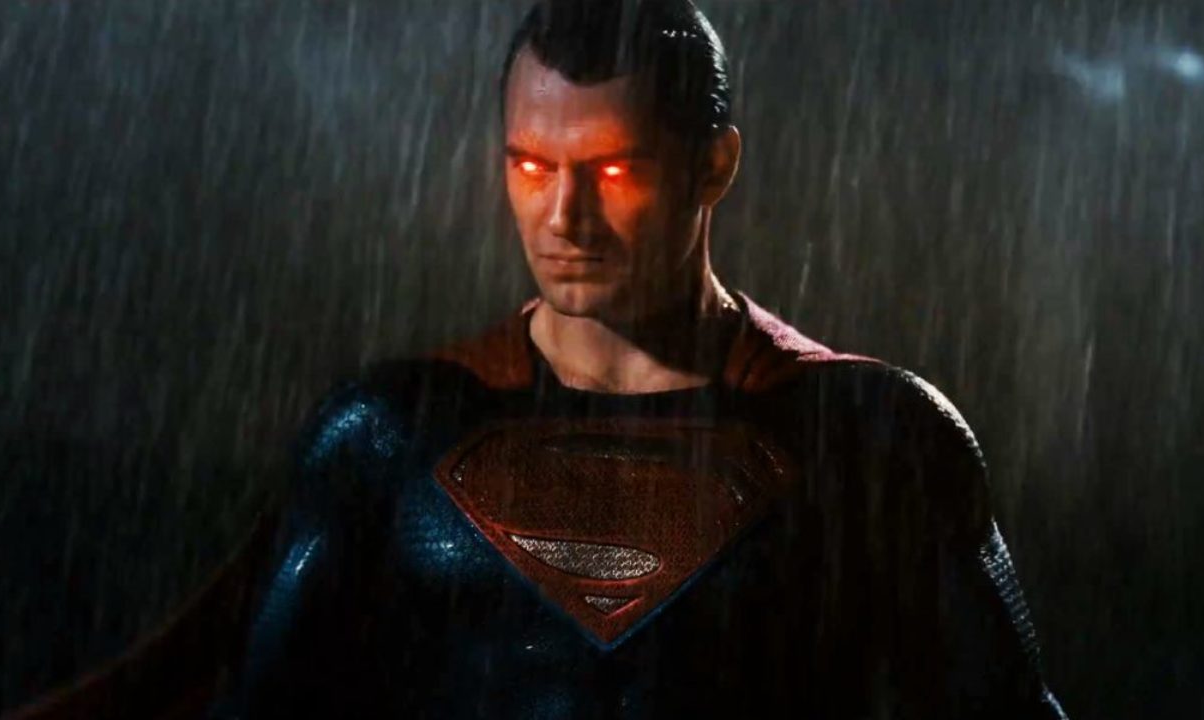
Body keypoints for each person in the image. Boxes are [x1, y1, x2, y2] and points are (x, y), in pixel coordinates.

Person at [219, 0, 1068, 717]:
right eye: (532, 166)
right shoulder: (388, 434)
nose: (565, 217)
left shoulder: (876, 439)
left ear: (714, 167)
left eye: (616, 170)